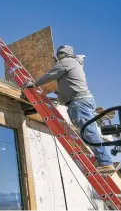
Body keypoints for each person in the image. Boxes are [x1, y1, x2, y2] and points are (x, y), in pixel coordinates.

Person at [23, 45, 115, 173]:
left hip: (79, 102)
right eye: (59, 55)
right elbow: (68, 83)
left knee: (88, 131)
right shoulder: (73, 63)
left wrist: (34, 84)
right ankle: (103, 161)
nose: (60, 57)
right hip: (80, 101)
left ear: (67, 54)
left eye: (61, 54)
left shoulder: (67, 62)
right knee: (87, 131)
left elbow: (51, 75)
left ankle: (105, 162)